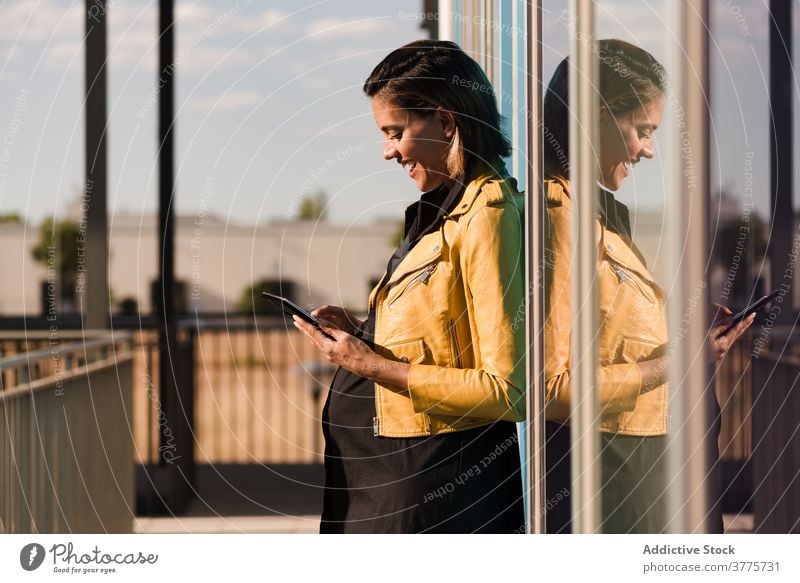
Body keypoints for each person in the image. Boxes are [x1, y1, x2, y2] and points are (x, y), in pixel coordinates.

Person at [293, 40, 526, 533]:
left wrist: (370, 365)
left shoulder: (487, 217)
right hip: (387, 481)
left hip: (432, 493)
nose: (387, 152)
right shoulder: (441, 210)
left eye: (395, 132)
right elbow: (444, 343)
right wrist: (363, 334)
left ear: (446, 122)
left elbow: (506, 389)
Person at [542, 39, 754, 533]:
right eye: (642, 130)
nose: (648, 149)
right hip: (621, 487)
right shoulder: (560, 223)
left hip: (638, 475)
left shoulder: (593, 219)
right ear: (595, 116)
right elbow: (555, 387)